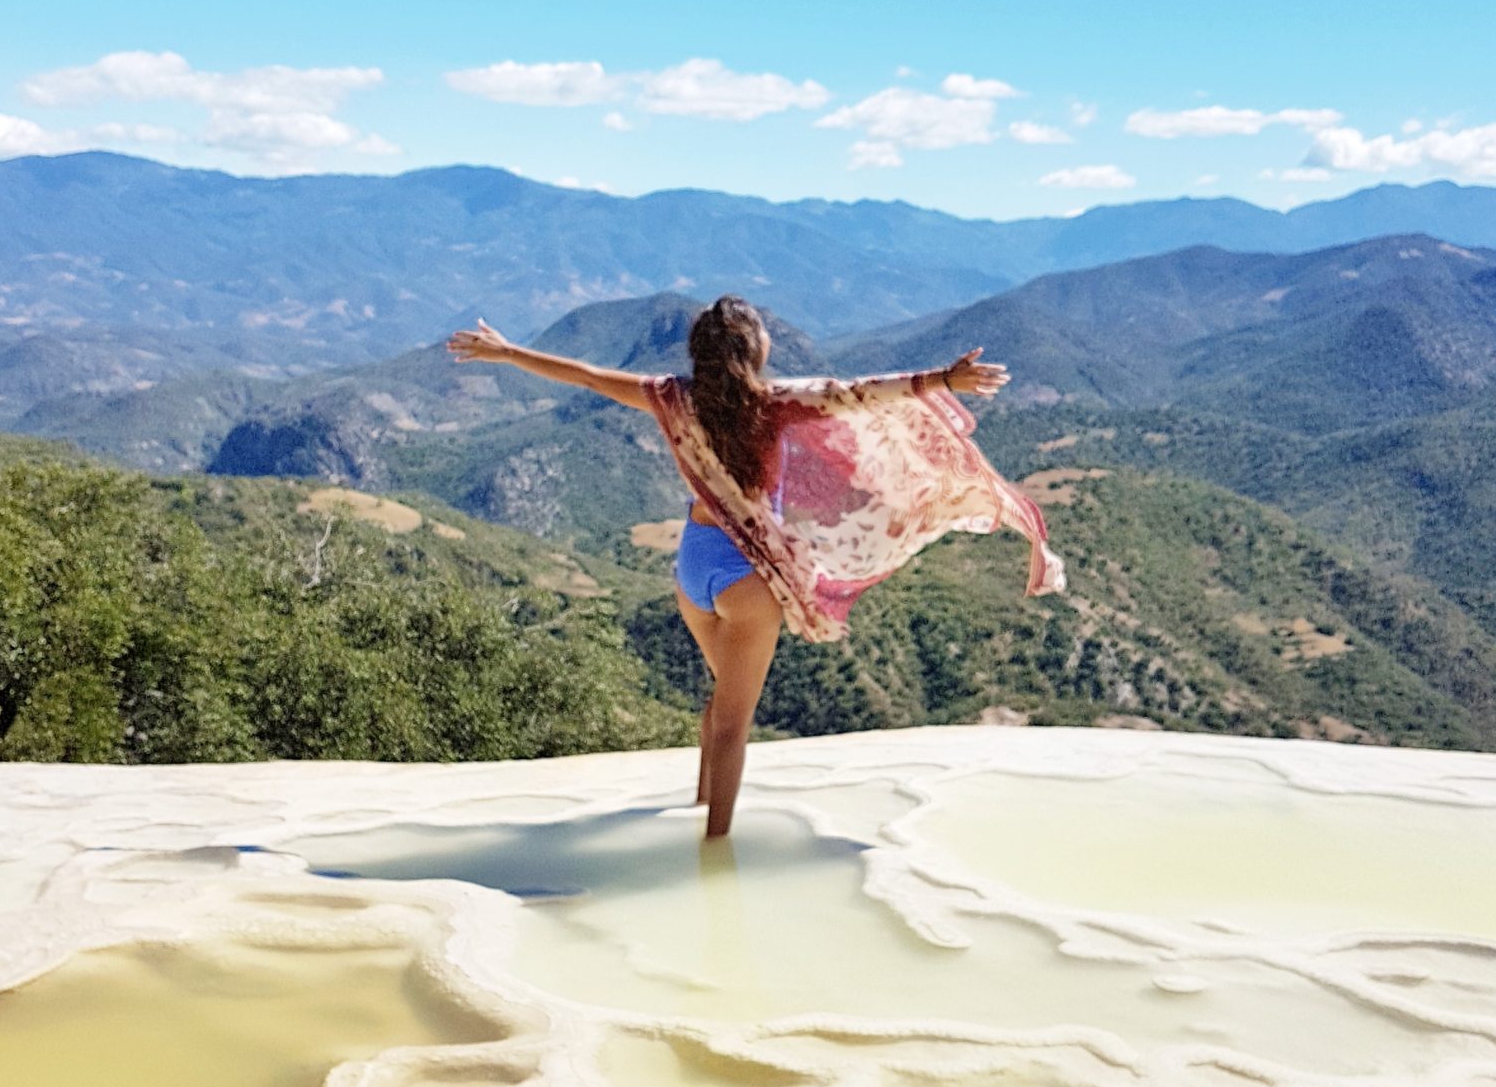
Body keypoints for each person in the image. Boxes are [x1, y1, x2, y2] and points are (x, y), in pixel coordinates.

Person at [447, 296, 1064, 839]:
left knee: (720, 704)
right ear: (753, 349)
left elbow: (586, 376)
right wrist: (943, 380)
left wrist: (509, 352)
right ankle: (714, 843)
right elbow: (861, 391)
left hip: (693, 564)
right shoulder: (776, 404)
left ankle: (698, 803)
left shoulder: (669, 398)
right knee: (734, 723)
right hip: (747, 578)